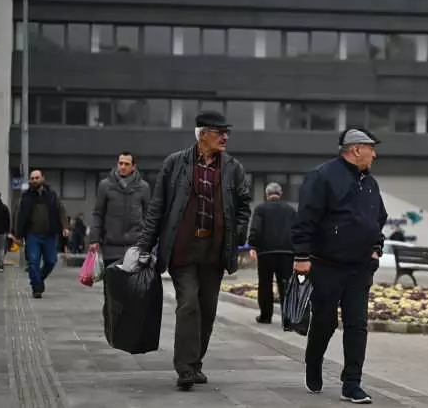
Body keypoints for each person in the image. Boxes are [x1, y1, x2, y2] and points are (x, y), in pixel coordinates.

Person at [137, 110, 251, 391]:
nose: (225, 137)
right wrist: (145, 245)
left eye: (227, 132)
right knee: (188, 304)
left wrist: (235, 238)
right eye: (218, 132)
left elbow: (244, 206)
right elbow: (157, 207)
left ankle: (195, 363)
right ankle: (185, 368)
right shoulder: (175, 164)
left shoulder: (233, 168)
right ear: (202, 135)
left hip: (214, 251)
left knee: (208, 310)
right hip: (182, 248)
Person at [293, 127, 387, 404]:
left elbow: (378, 217)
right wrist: (301, 256)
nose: (375, 154)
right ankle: (313, 361)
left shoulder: (369, 183)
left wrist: (376, 246)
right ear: (356, 149)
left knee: (357, 324)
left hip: (359, 267)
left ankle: (352, 383)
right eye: (371, 148)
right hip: (326, 265)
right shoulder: (322, 177)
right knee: (325, 322)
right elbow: (305, 218)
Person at [14, 169, 70, 299]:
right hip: (32, 235)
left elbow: (61, 210)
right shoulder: (26, 196)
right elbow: (19, 215)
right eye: (32, 178)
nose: (34, 180)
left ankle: (38, 279)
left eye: (36, 178)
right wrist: (18, 234)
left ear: (42, 178)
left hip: (49, 234)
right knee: (33, 261)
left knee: (51, 261)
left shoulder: (51, 195)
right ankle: (37, 287)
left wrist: (65, 226)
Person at [89, 152, 150, 266]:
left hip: (135, 246)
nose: (122, 167)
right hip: (111, 246)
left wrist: (148, 241)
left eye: (126, 164)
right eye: (120, 163)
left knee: (132, 283)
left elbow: (148, 216)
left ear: (133, 167)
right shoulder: (105, 186)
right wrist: (94, 239)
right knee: (112, 282)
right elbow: (98, 214)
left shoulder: (143, 187)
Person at [248, 182, 297, 325]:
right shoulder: (290, 210)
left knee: (265, 284)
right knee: (286, 285)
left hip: (265, 253)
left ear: (266, 194)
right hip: (287, 253)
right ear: (280, 194)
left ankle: (265, 316)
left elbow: (256, 229)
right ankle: (287, 319)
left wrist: (253, 245)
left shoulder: (261, 209)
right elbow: (297, 231)